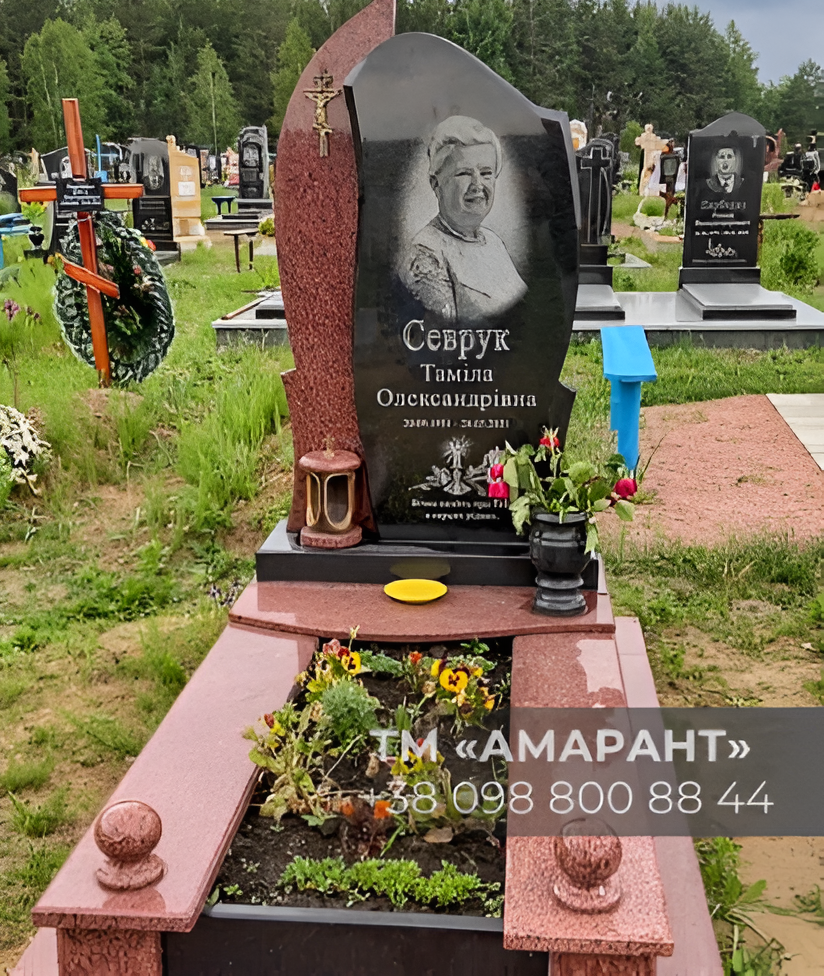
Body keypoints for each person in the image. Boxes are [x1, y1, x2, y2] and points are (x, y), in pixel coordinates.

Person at [399, 116, 527, 324]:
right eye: (464, 173)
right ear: (436, 183)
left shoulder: (493, 241)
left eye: (486, 173)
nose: (477, 184)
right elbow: (443, 331)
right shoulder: (427, 254)